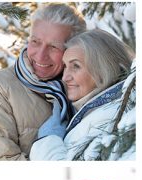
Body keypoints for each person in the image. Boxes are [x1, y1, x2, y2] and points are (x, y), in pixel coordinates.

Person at [0, 3, 86, 160]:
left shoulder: (84, 86)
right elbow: (0, 161)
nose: (40, 55)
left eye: (54, 47)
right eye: (35, 42)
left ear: (72, 50)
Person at [30, 29, 135, 160]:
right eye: (65, 66)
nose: (65, 77)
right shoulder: (92, 112)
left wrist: (48, 139)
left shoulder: (111, 117)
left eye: (76, 66)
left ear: (103, 68)